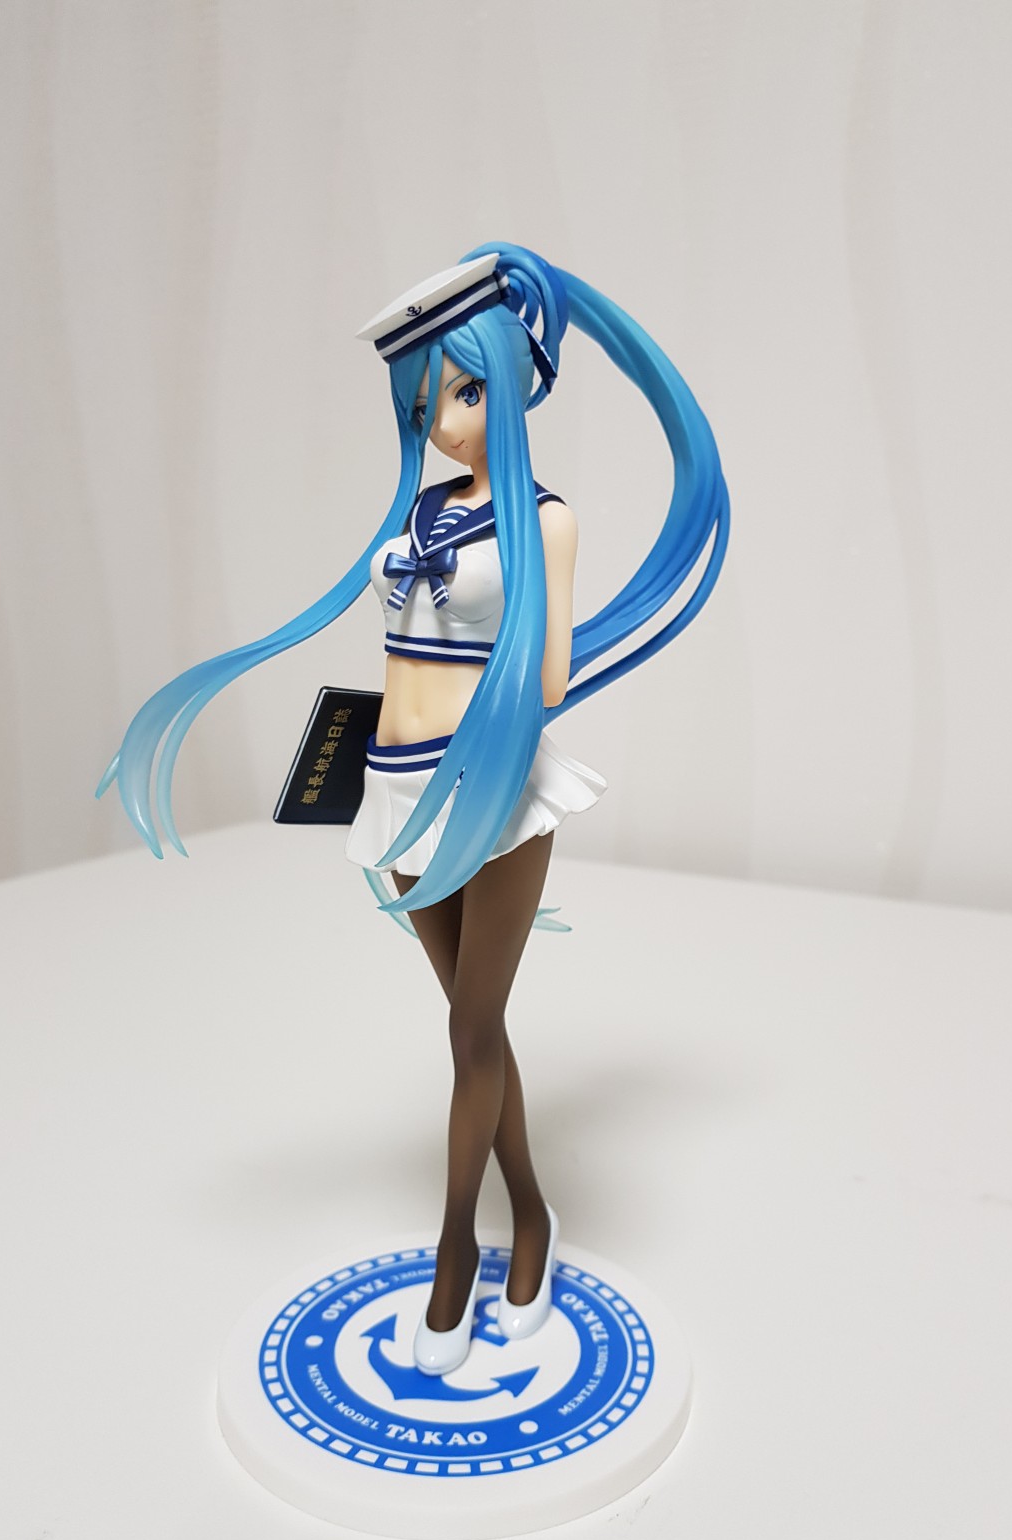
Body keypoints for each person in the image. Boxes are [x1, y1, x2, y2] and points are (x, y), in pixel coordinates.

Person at [96, 241, 730, 1378]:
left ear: (518, 383)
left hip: (490, 791)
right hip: (397, 787)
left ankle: (455, 1255)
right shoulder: (420, 515)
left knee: (471, 1031)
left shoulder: (546, 521)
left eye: (467, 392)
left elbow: (545, 683)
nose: (445, 420)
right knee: (475, 1028)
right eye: (428, 401)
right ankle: (530, 1212)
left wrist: (512, 658)